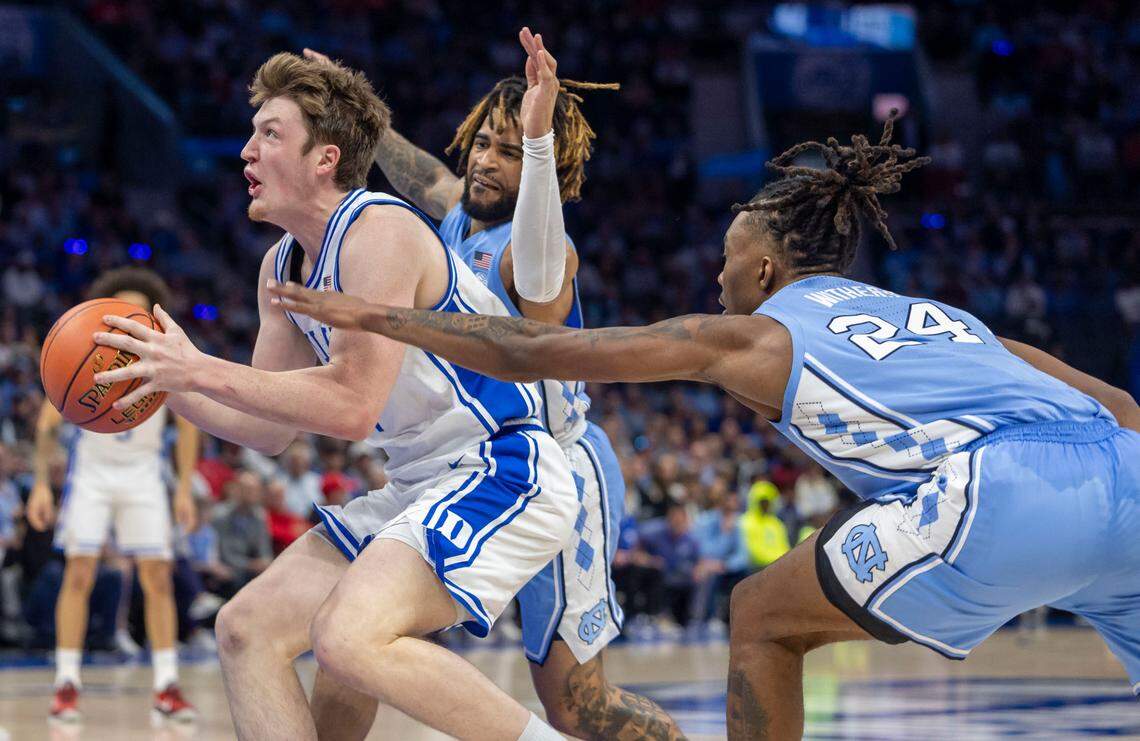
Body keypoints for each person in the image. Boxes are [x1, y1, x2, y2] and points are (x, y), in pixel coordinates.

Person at [269, 111, 1140, 740]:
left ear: (763, 270)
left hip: (1000, 490)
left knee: (760, 614)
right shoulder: (944, 319)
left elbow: (534, 348)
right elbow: (1123, 410)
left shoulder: (760, 334)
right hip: (1124, 481)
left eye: (727, 259)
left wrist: (380, 316)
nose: (718, 277)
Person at [92, 49, 578, 740]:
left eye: (269, 133)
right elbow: (266, 428)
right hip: (420, 482)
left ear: (325, 158)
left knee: (347, 637)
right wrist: (159, 378)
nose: (246, 151)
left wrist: (196, 368)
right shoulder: (281, 266)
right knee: (246, 628)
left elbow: (351, 405)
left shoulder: (378, 231)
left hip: (502, 464)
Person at [304, 29, 683, 738]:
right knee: (351, 644)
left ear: (541, 166)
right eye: (483, 143)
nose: (484, 160)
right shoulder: (455, 219)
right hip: (468, 463)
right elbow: (422, 174)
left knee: (578, 705)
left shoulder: (539, 252)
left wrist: (537, 140)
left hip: (553, 468)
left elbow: (538, 285)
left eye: (508, 153)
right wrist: (353, 108)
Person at [26, 267, 200, 724]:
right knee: (78, 574)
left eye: (137, 312)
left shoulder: (166, 360)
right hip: (92, 475)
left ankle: (167, 684)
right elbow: (47, 423)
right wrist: (41, 483)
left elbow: (187, 428)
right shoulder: (84, 356)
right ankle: (66, 682)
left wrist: (184, 488)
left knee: (157, 578)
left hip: (145, 474)